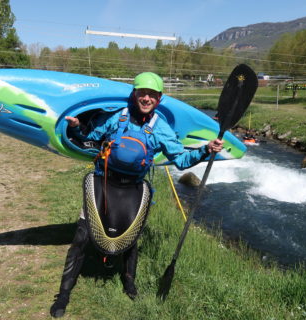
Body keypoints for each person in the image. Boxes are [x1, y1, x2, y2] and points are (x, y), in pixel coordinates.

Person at [50, 72, 223, 318]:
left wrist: (205, 150)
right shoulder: (116, 117)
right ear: (134, 94)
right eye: (142, 92)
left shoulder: (161, 128)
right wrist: (75, 127)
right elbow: (89, 139)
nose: (146, 98)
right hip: (103, 182)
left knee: (131, 240)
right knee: (82, 235)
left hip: (133, 189)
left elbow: (182, 160)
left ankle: (129, 283)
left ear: (160, 99)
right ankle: (64, 294)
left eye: (152, 94)